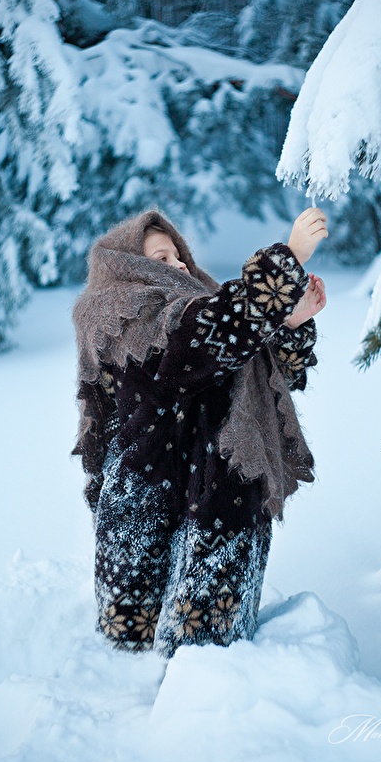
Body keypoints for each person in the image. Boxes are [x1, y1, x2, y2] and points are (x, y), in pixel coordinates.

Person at [72, 207, 327, 658]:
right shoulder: (121, 314)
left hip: (217, 494)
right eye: (162, 259)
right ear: (129, 266)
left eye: (179, 257)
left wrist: (287, 323)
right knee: (125, 658)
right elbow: (197, 345)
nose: (180, 266)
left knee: (206, 659)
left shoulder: (202, 304)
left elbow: (255, 365)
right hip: (146, 499)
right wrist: (285, 261)